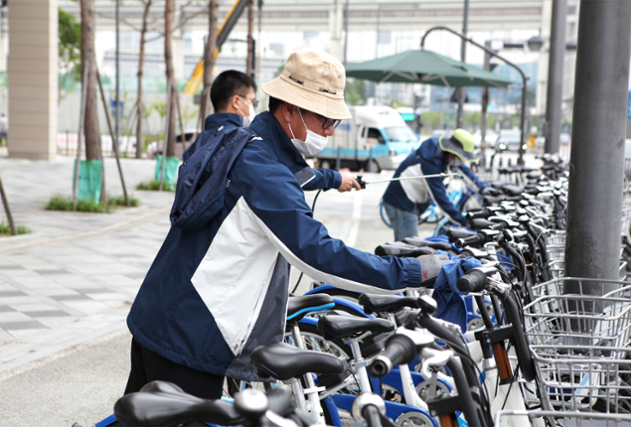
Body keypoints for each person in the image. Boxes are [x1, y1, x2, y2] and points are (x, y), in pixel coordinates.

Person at [124, 49, 449, 400]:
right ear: (290, 109)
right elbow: (317, 253)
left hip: (161, 312)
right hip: (189, 334)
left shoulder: (250, 144)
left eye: (335, 122)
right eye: (325, 119)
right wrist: (416, 272)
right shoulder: (263, 169)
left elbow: (296, 179)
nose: (330, 130)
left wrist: (333, 179)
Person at [184, 69, 359, 193]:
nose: (330, 131)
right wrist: (333, 179)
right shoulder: (239, 146)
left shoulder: (199, 145)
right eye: (252, 102)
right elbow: (286, 178)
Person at [382, 128, 490, 241]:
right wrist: (465, 222)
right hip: (400, 203)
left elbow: (465, 172)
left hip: (408, 203)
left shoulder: (444, 153)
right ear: (453, 153)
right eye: (461, 157)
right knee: (409, 248)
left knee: (404, 248)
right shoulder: (431, 162)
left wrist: (484, 189)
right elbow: (440, 199)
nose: (461, 161)